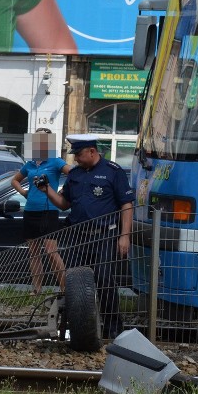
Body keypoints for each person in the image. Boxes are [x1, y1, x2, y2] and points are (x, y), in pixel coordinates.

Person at [37, 134, 134, 338]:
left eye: (79, 154)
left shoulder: (113, 172)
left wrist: (125, 236)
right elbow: (64, 203)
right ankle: (78, 325)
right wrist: (47, 190)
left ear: (92, 151)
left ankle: (112, 328)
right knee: (74, 281)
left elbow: (126, 204)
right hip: (78, 236)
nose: (76, 159)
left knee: (104, 279)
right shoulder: (75, 174)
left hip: (104, 236)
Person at [11, 128, 71, 295]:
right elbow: (14, 180)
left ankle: (66, 289)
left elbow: (73, 174)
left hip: (49, 209)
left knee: (51, 252)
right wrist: (24, 193)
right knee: (33, 252)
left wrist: (62, 192)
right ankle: (36, 289)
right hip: (31, 210)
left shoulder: (56, 161)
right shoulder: (29, 164)